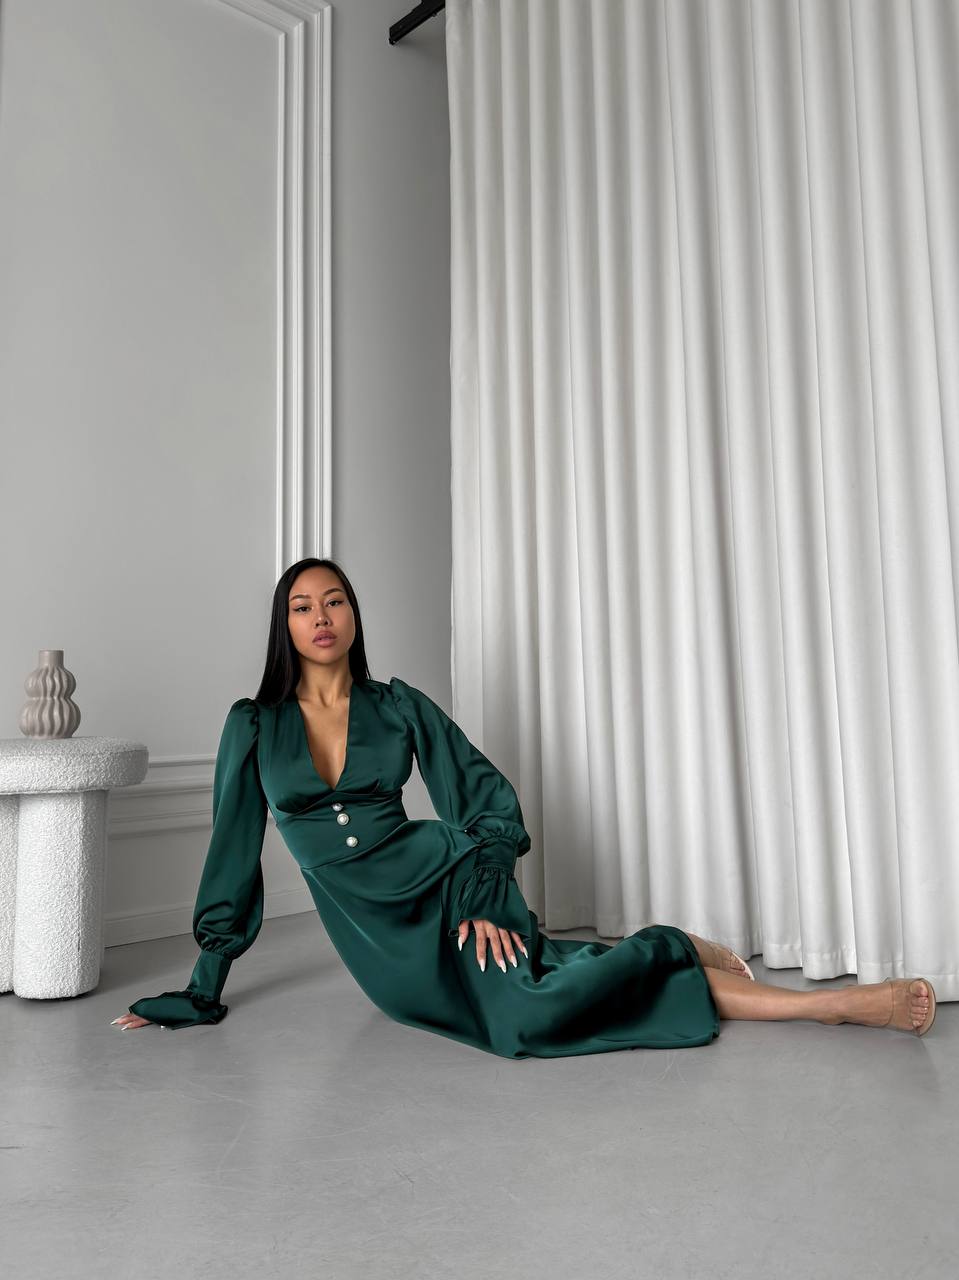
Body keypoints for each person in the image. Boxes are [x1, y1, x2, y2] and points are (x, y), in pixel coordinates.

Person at [112, 558, 937, 1052]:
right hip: (388, 953)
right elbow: (230, 853)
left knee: (526, 1006)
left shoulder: (398, 706)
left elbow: (486, 804)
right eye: (301, 606)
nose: (320, 617)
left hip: (452, 886)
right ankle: (673, 945)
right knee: (531, 1006)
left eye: (334, 600)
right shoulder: (251, 726)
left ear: (354, 614)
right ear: (282, 626)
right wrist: (204, 984)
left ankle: (831, 1006)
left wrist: (479, 896)